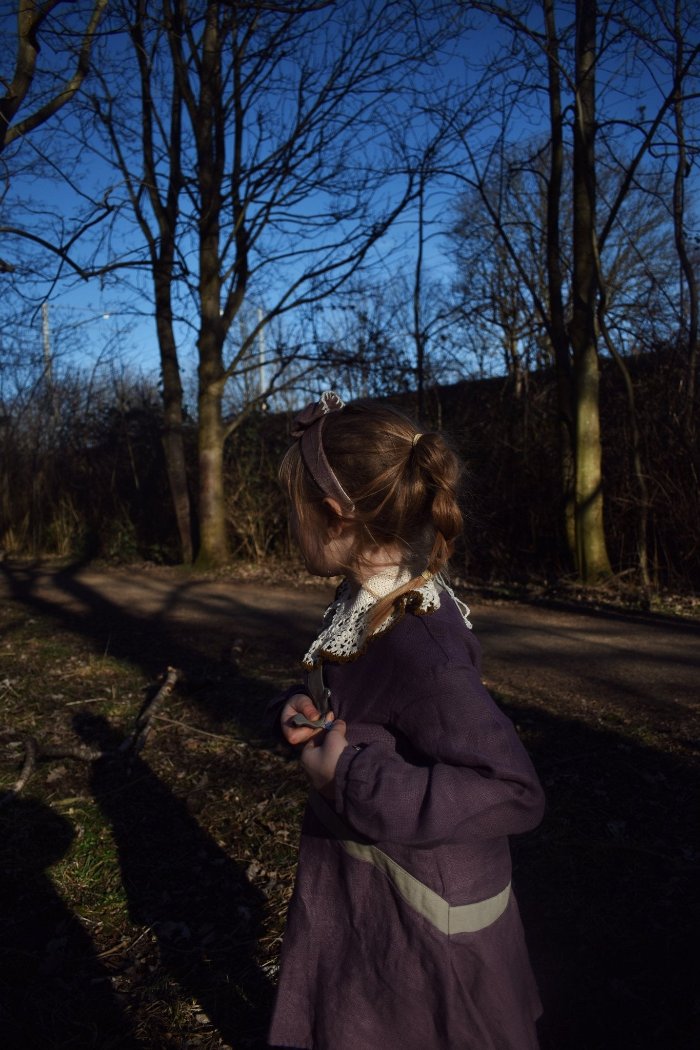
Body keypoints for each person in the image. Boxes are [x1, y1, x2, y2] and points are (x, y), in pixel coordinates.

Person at [268, 391, 545, 1050]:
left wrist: (350, 779)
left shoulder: (418, 640)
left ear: (336, 516)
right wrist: (296, 711)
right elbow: (365, 706)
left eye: (294, 511)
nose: (288, 524)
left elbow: (511, 789)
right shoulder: (366, 601)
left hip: (425, 923)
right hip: (371, 895)